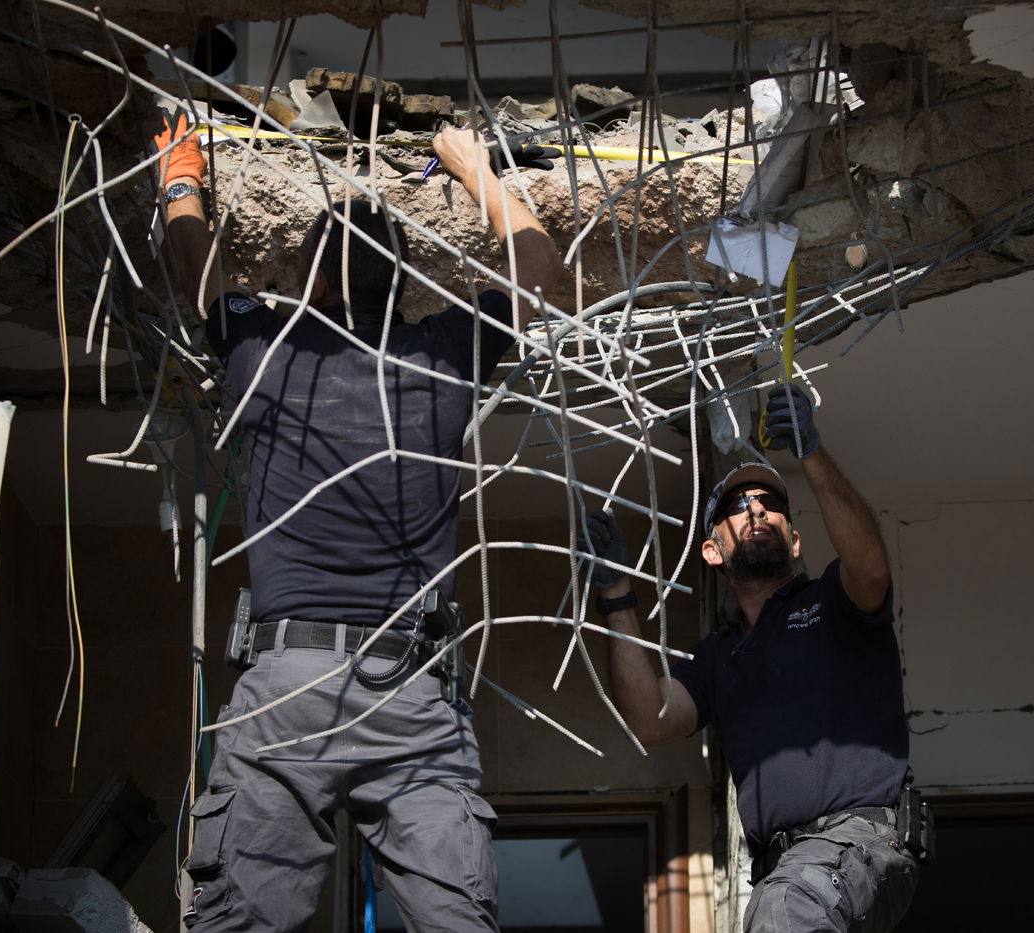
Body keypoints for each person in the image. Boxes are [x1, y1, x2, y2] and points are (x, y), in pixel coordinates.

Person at [153, 113, 562, 930]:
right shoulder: (441, 355)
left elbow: (193, 262)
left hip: (286, 694)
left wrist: (179, 176)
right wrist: (474, 167)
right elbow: (538, 265)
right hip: (407, 694)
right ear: (401, 282)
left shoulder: (263, 350)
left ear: (315, 278)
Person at [582, 385, 921, 932]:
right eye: (739, 506)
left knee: (784, 911)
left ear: (794, 541)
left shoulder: (832, 601)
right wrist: (616, 596)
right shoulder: (719, 655)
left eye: (772, 503)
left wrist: (810, 450)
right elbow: (651, 718)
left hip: (854, 845)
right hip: (793, 871)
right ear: (712, 550)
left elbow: (872, 568)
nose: (758, 507)